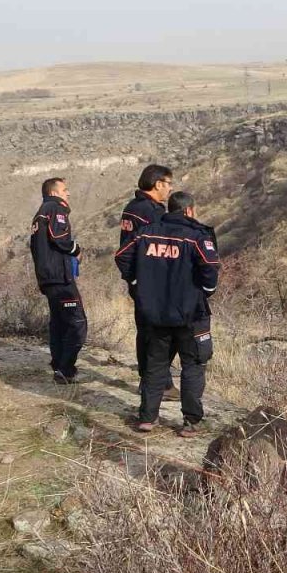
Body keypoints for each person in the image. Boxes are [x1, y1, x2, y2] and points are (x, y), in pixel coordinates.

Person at [114, 192, 220, 436]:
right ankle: (191, 422)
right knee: (193, 364)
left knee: (156, 364)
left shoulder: (146, 233)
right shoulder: (197, 236)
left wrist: (137, 283)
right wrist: (206, 291)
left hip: (156, 311)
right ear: (189, 211)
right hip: (191, 313)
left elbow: (122, 256)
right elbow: (210, 267)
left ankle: (147, 418)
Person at [119, 164, 175, 393]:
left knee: (146, 331)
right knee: (159, 333)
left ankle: (153, 380)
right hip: (151, 282)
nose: (170, 189)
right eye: (169, 184)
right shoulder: (151, 212)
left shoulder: (132, 207)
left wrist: (132, 279)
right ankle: (157, 383)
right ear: (158, 184)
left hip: (140, 280)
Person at [29, 177, 88, 384]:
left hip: (47, 277)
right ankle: (65, 369)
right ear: (54, 193)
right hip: (59, 278)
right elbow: (60, 238)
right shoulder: (55, 208)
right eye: (65, 190)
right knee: (77, 323)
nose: (68, 193)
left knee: (59, 324)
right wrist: (76, 250)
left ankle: (59, 368)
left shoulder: (40, 213)